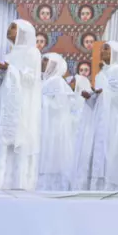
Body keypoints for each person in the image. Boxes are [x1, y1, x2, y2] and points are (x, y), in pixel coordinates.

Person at [0, 20, 42, 190]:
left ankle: (20, 186)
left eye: (13, 28)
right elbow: (5, 84)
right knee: (5, 143)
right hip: (7, 107)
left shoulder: (33, 53)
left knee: (20, 143)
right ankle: (0, 184)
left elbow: (31, 79)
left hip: (24, 107)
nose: (8, 30)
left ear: (24, 31)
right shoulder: (9, 54)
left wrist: (10, 69)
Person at [90, 41, 118, 191]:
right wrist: (91, 96)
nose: (102, 51)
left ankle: (110, 186)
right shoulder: (101, 73)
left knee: (111, 150)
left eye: (106, 49)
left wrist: (104, 94)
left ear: (114, 52)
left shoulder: (117, 70)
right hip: (101, 117)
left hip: (115, 119)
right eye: (102, 49)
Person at [37, 53, 75, 191]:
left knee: (52, 153)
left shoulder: (57, 81)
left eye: (46, 60)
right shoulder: (43, 80)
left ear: (54, 64)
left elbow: (60, 105)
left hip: (54, 126)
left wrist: (39, 101)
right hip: (43, 123)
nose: (42, 62)